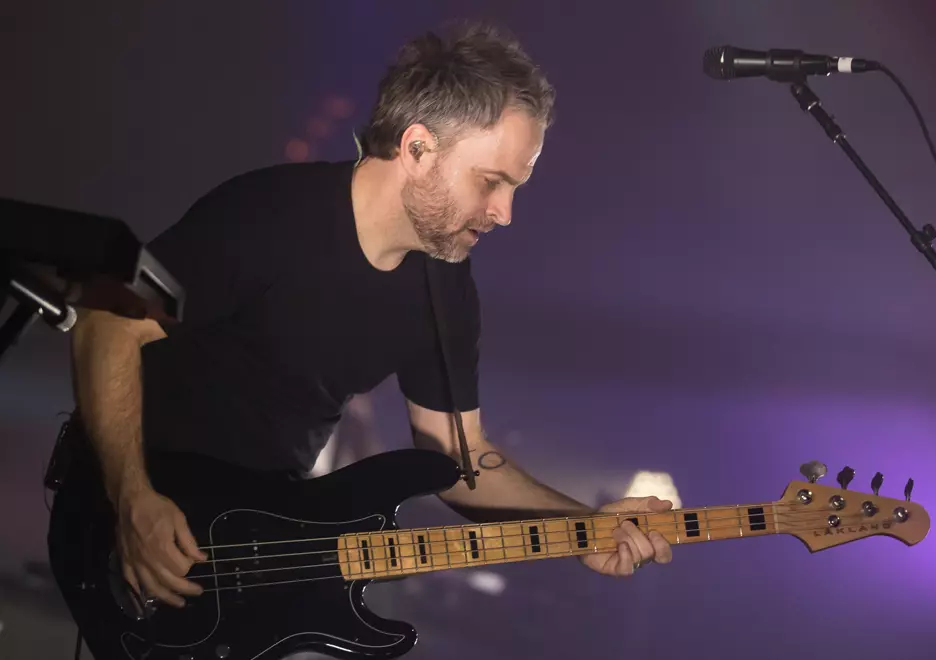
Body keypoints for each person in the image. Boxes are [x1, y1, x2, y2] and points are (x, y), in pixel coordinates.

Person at [48, 20, 673, 629]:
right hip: (130, 519)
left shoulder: (445, 287)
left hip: (259, 550)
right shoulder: (269, 214)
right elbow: (106, 321)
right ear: (417, 148)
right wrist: (132, 498)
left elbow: (462, 460)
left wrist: (585, 527)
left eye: (516, 187)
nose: (505, 212)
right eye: (492, 182)